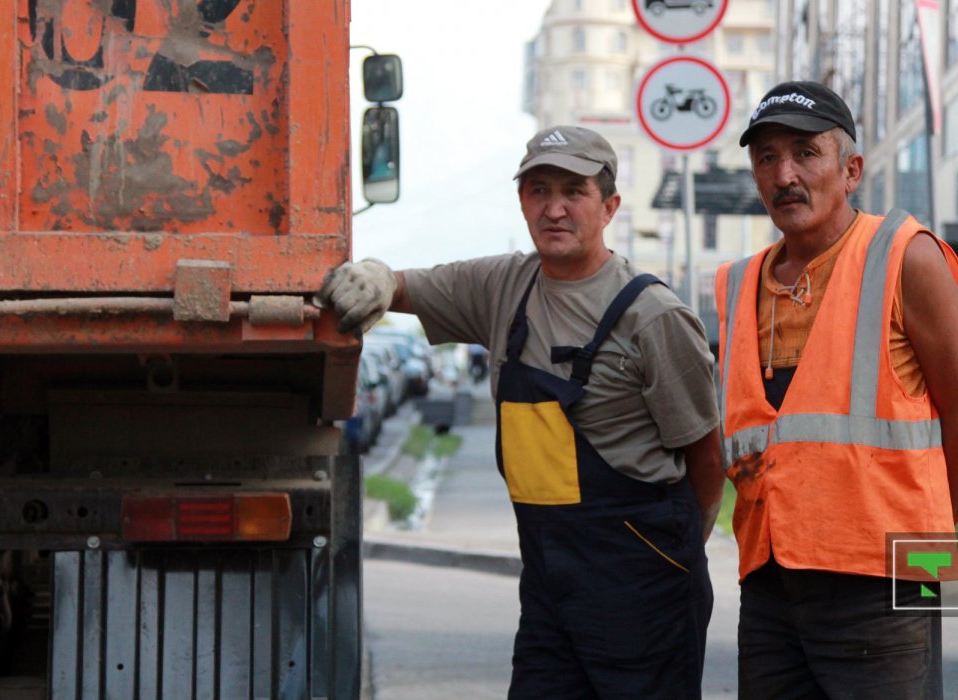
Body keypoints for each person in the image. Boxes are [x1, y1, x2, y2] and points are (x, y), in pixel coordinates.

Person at [319, 125, 724, 698]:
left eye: (573, 191)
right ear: (521, 201)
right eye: (538, 190)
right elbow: (407, 288)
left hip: (643, 584)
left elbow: (707, 456)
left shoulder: (653, 315)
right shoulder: (504, 285)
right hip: (549, 583)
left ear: (608, 206)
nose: (554, 208)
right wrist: (378, 277)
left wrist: (676, 556)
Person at [716, 80, 958, 699]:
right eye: (766, 157)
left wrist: (941, 575)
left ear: (850, 169)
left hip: (891, 572)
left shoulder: (907, 256)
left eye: (805, 152)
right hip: (771, 579)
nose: (784, 173)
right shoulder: (738, 285)